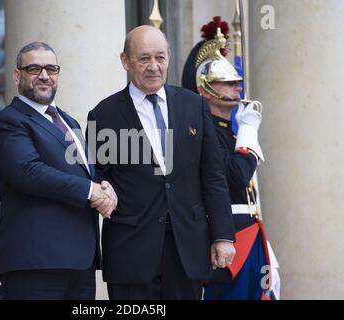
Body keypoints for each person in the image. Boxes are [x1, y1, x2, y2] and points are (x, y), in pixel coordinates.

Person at [86, 25, 236, 300]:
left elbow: (213, 174)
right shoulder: (103, 115)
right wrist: (101, 190)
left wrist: (223, 235)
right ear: (125, 61)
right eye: (143, 58)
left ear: (168, 56)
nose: (153, 66)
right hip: (131, 252)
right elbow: (97, 177)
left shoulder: (194, 105)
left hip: (187, 248)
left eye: (160, 57)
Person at [0, 41, 117, 299]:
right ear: (17, 75)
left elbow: (86, 172)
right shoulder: (8, 122)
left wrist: (103, 186)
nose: (44, 76)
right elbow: (27, 172)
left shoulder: (68, 121)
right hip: (36, 263)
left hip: (80, 262)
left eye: (51, 69)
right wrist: (89, 191)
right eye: (34, 68)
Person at [181, 17, 273, 300]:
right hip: (228, 238)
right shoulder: (203, 133)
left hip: (252, 236)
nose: (237, 88)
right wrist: (247, 131)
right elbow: (235, 178)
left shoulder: (229, 133)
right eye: (227, 83)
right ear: (204, 88)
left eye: (237, 82)